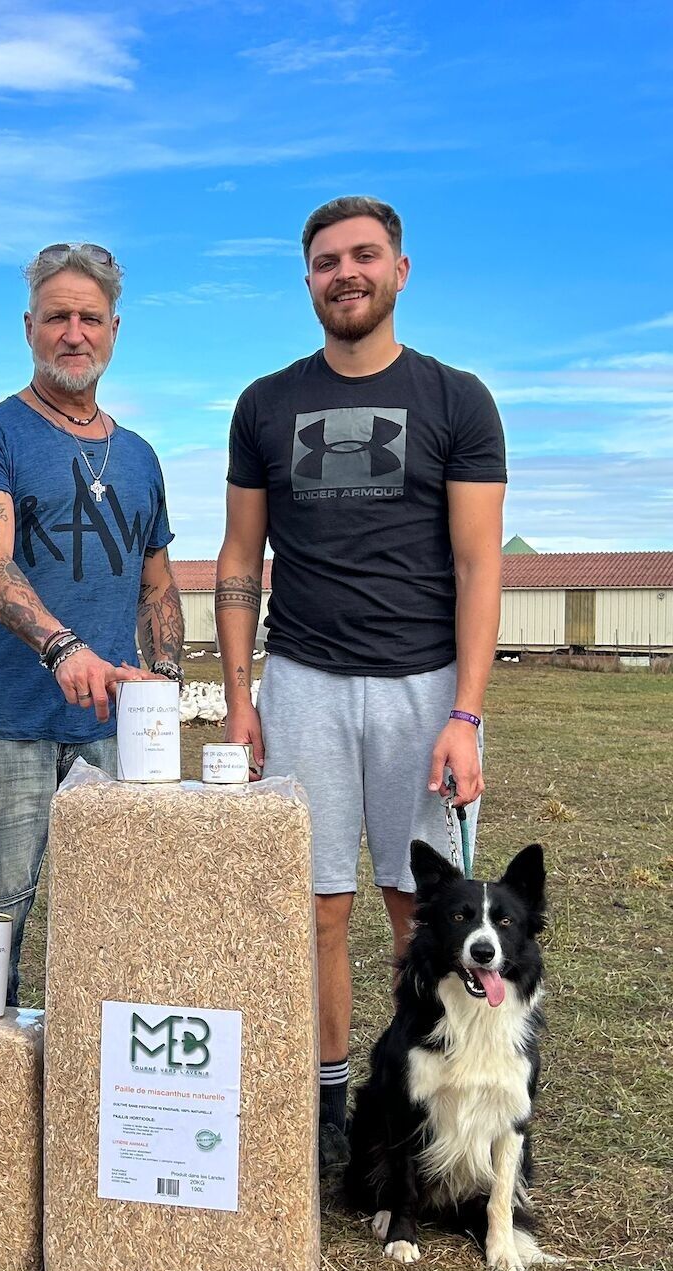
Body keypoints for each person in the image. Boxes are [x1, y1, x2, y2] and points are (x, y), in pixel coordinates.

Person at [214, 196, 506, 1168]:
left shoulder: (457, 399)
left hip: (426, 687)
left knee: (425, 912)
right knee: (315, 908)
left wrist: (466, 712)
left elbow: (478, 564)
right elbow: (239, 558)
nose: (346, 273)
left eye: (364, 255)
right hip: (305, 680)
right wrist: (240, 698)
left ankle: (427, 1100)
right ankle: (329, 1104)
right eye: (327, 260)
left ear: (400, 270)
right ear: (307, 279)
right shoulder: (265, 404)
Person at [0, 242, 183, 1005]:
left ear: (114, 330)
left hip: (111, 734)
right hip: (4, 728)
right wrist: (63, 647)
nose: (74, 334)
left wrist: (163, 683)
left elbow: (157, 585)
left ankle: (92, 1076)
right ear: (29, 327)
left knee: (117, 929)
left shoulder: (140, 457)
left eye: (90, 318)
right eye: (57, 318)